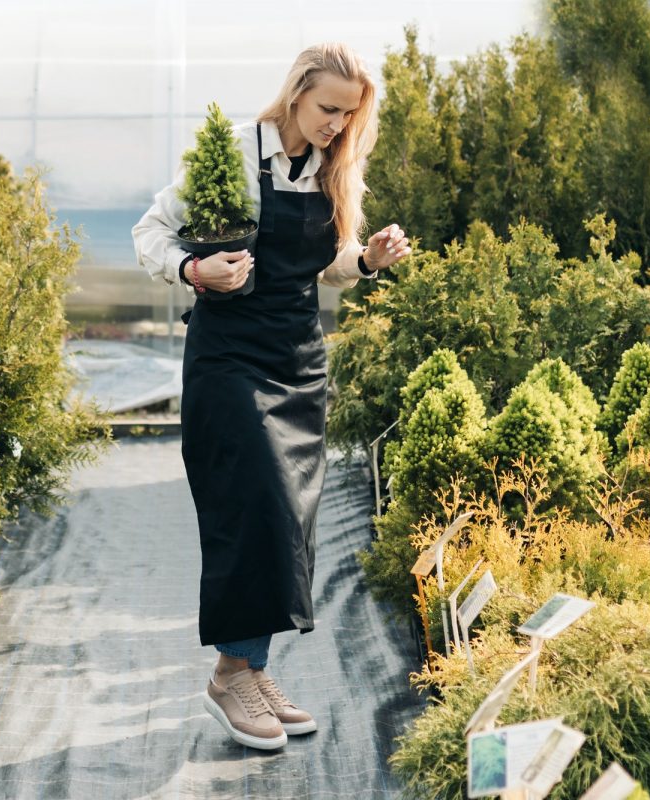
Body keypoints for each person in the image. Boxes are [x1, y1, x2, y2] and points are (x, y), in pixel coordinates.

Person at [132, 42, 411, 751]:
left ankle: (251, 669)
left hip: (297, 361)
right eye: (327, 110)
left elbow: (330, 266)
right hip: (228, 357)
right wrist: (196, 269)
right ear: (296, 95)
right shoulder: (230, 153)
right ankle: (231, 677)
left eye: (348, 116)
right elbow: (151, 233)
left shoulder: (333, 169)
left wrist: (368, 261)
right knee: (254, 505)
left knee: (291, 520)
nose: (336, 126)